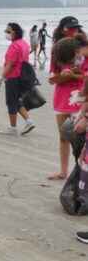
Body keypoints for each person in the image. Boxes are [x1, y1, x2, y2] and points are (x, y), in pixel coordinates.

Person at [48, 17, 86, 179]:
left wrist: (74, 75)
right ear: (63, 29)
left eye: (77, 28)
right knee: (63, 136)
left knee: (82, 138)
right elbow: (52, 79)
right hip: (62, 98)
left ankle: (81, 171)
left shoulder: (84, 50)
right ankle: (64, 171)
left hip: (81, 98)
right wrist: (65, 76)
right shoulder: (58, 50)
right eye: (71, 28)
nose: (74, 31)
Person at [0, 23, 35, 136]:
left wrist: (0, 79)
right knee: (17, 101)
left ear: (15, 32)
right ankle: (29, 121)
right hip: (23, 76)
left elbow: (10, 64)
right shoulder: (24, 43)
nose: (6, 33)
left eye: (8, 31)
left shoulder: (14, 46)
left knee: (11, 101)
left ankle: (13, 127)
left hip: (13, 77)